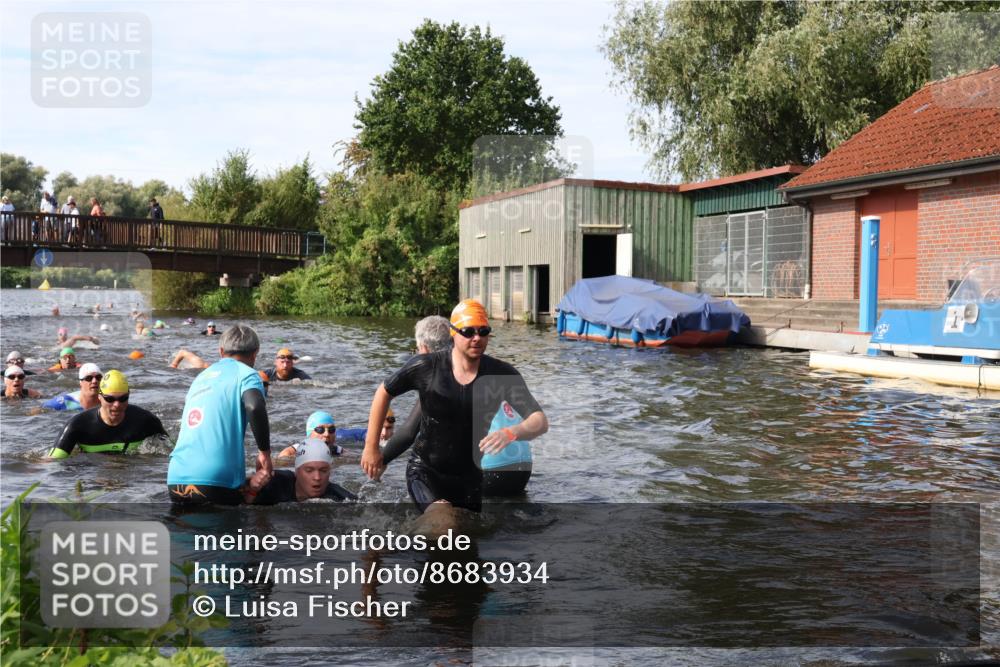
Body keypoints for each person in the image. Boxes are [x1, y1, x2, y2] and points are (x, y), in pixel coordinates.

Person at [360, 299, 548, 513]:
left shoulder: (501, 374)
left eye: (483, 331)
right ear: (453, 333)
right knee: (442, 519)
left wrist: (512, 432)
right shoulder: (427, 367)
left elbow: (539, 421)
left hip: (469, 479)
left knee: (465, 542)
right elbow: (384, 392)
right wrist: (371, 447)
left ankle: (405, 541)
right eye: (468, 332)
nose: (476, 338)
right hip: (426, 472)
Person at [167, 324, 272, 506]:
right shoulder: (247, 374)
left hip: (176, 478)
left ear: (221, 351)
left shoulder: (200, 378)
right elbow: (254, 406)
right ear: (255, 353)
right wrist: (265, 453)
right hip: (215, 480)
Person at [47, 370, 167, 458]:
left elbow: (172, 451)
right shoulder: (77, 425)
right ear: (100, 397)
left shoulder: (146, 421)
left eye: (123, 398)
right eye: (110, 399)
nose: (117, 404)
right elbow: (53, 462)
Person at [247, 440, 355, 504]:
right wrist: (253, 490)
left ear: (330, 472)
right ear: (297, 471)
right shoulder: (275, 482)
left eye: (323, 470)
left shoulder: (339, 497)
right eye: (309, 470)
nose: (317, 477)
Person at [276, 411, 344, 460]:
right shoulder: (291, 453)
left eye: (331, 429)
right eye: (320, 429)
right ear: (310, 433)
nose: (327, 434)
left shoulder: (339, 452)